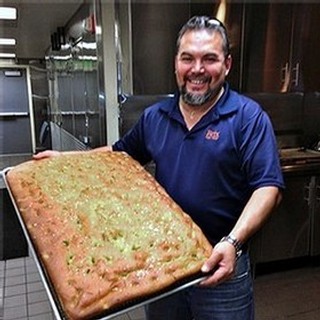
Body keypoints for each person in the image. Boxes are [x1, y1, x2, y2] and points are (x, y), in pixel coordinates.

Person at [35, 16, 284, 320]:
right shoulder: (156, 117)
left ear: (227, 65)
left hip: (223, 266)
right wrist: (64, 159)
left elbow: (268, 187)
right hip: (165, 265)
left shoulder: (248, 118)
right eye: (187, 58)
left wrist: (232, 241)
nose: (197, 69)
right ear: (176, 64)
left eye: (210, 59)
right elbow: (118, 156)